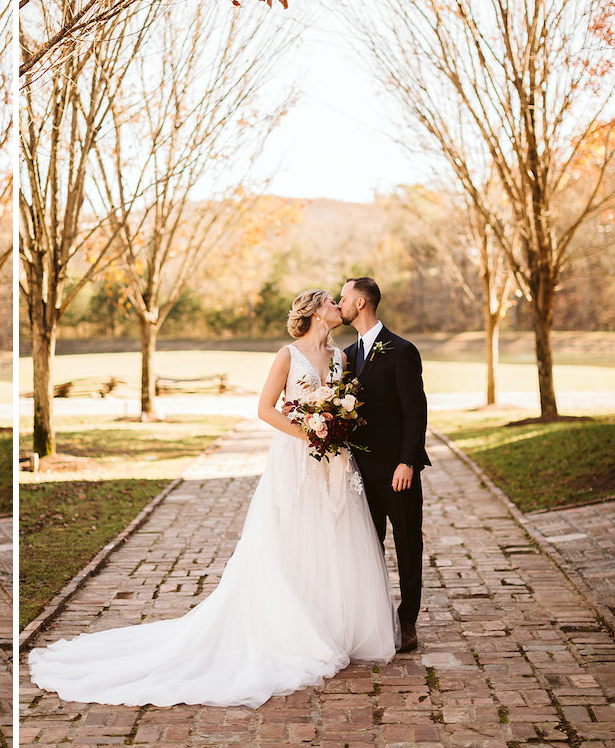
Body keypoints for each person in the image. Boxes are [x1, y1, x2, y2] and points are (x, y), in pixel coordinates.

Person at [27, 289, 397, 708]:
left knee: (333, 535)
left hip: (331, 460)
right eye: (331, 301)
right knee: (291, 534)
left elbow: (343, 404)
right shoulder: (287, 355)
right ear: (313, 311)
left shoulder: (339, 359)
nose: (338, 307)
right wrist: (309, 431)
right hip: (297, 456)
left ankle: (333, 624)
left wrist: (335, 428)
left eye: (339, 301)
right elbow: (265, 408)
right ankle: (288, 628)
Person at [339, 276, 429, 654]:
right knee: (367, 546)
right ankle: (375, 618)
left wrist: (407, 462)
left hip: (397, 472)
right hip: (359, 473)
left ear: (361, 303)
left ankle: (407, 621)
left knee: (407, 543)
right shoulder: (346, 355)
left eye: (343, 298)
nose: (338, 303)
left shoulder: (401, 350)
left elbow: (416, 412)